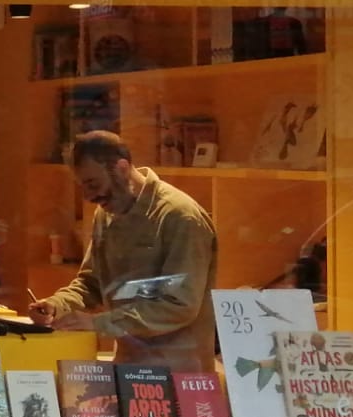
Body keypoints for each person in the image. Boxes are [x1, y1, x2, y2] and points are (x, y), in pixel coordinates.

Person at [28, 130, 217, 370]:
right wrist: (58, 304)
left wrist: (100, 323)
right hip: (129, 367)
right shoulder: (105, 215)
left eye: (93, 184)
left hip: (179, 374)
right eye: (82, 186)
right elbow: (92, 282)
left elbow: (179, 305)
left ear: (122, 168)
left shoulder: (180, 217)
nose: (88, 196)